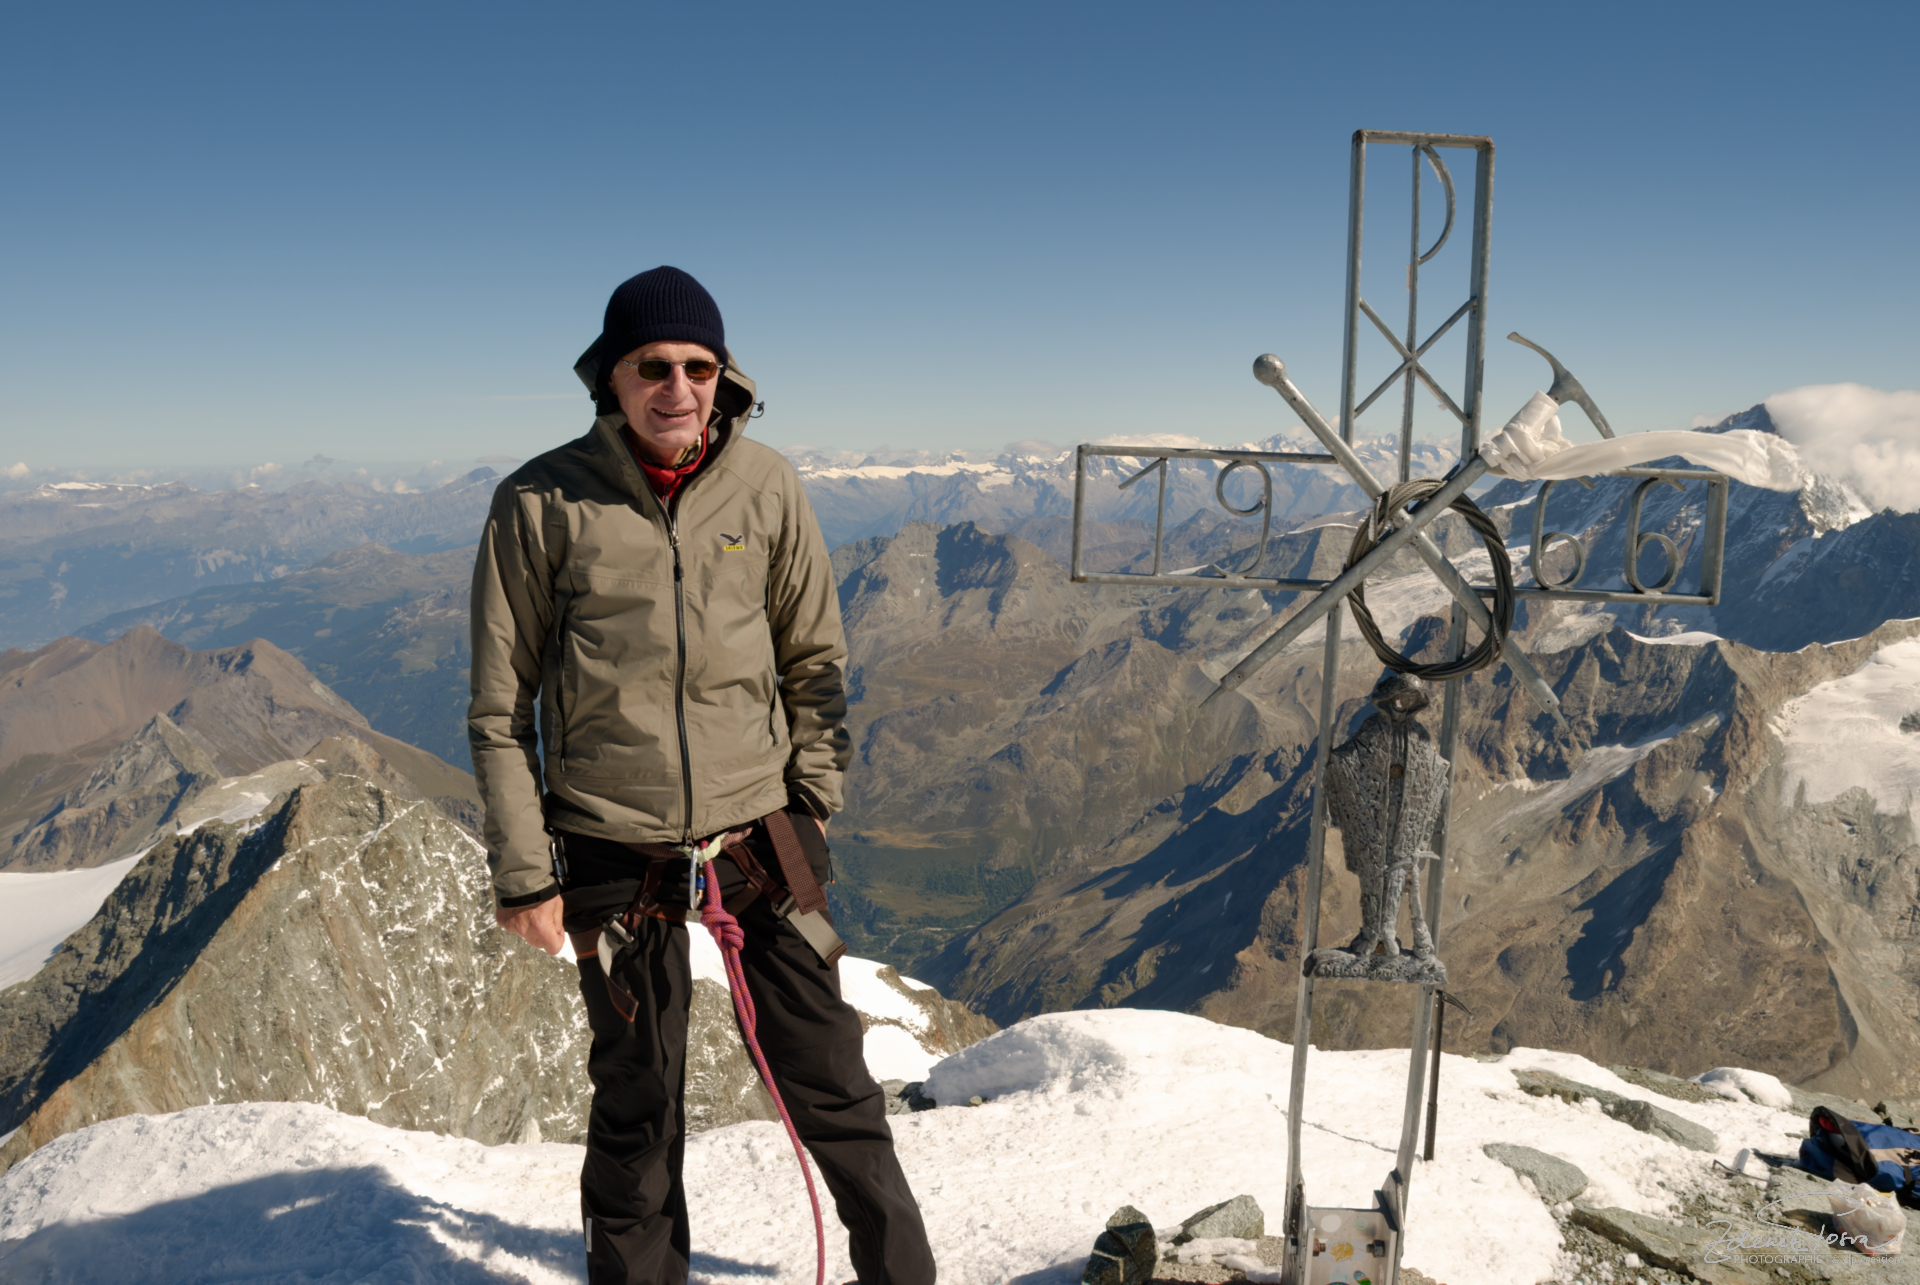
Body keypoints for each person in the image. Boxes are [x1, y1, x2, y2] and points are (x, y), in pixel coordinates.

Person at [469, 265, 937, 1285]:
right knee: (639, 1105)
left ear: (725, 377)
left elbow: (818, 660)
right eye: (654, 366)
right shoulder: (541, 502)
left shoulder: (766, 485)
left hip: (760, 837)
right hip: (608, 842)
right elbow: (501, 709)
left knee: (834, 1084)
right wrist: (522, 870)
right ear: (612, 376)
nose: (677, 386)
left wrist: (811, 803)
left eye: (699, 366)